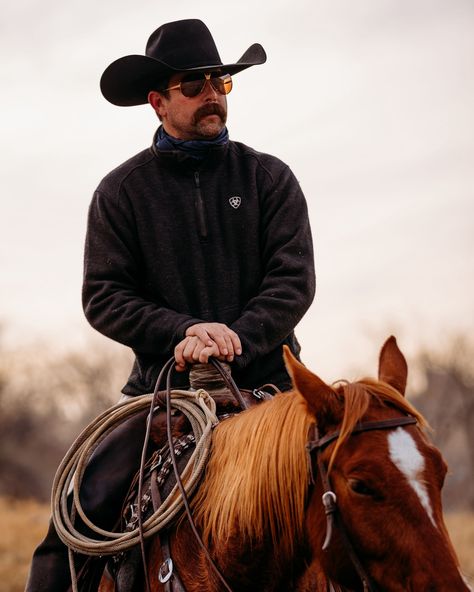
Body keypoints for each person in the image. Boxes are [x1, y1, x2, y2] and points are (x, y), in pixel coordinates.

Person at [26, 18, 315, 591]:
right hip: (161, 393)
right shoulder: (121, 192)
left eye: (221, 83)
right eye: (194, 85)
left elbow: (294, 280)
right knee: (75, 515)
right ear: (158, 102)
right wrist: (183, 331)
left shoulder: (269, 179)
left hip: (272, 387)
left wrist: (240, 336)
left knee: (365, 495)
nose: (212, 95)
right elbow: (103, 295)